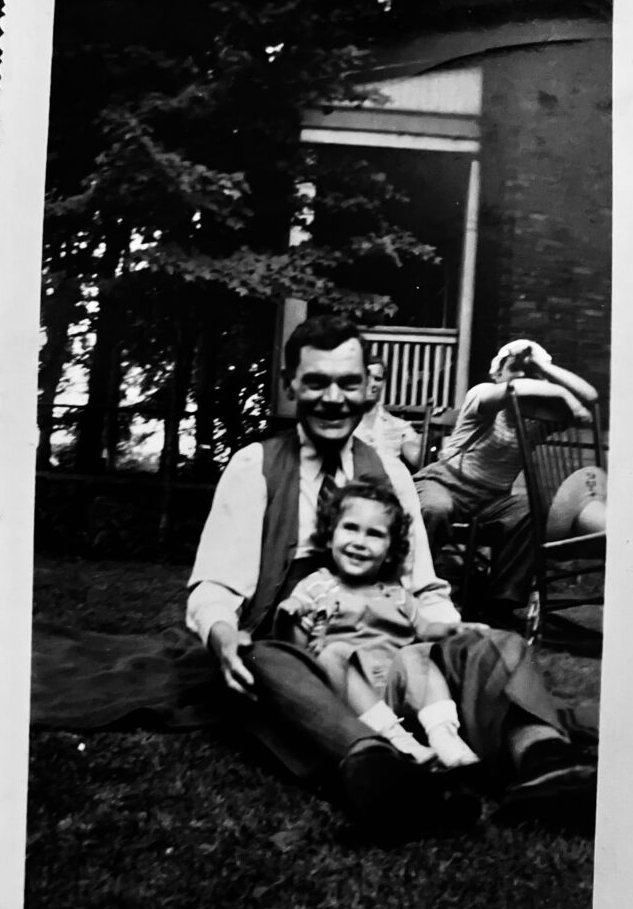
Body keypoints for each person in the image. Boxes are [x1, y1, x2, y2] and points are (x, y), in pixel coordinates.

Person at [187, 316, 596, 836]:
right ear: (290, 385)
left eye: (348, 383)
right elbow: (218, 583)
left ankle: (543, 762)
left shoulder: (390, 470)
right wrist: (221, 632)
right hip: (303, 644)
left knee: (495, 643)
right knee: (266, 660)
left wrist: (452, 630)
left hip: (394, 639)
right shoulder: (256, 466)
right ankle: (381, 774)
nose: (333, 398)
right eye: (316, 382)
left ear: (365, 389)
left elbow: (422, 583)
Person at [275, 478, 479, 770]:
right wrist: (289, 616)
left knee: (417, 654)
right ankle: (399, 741)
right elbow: (296, 651)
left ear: (390, 549)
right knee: (334, 652)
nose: (359, 542)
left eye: (374, 534)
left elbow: (425, 628)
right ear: (330, 536)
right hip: (347, 691)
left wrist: (451, 629)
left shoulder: (395, 592)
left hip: (397, 689)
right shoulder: (316, 586)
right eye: (350, 528)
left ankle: (444, 736)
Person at [414, 339, 599, 628]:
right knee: (436, 508)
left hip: (491, 500)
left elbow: (591, 395)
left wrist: (543, 367)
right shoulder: (483, 396)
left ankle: (499, 606)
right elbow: (515, 390)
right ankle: (414, 589)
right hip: (444, 482)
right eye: (514, 369)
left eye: (531, 374)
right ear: (497, 374)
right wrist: (563, 393)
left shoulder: (537, 421)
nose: (522, 377)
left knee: (527, 510)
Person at [354, 354, 422, 468]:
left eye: (378, 379)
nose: (372, 384)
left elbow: (417, 456)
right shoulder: (339, 422)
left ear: (383, 383)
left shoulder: (397, 426)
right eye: (366, 377)